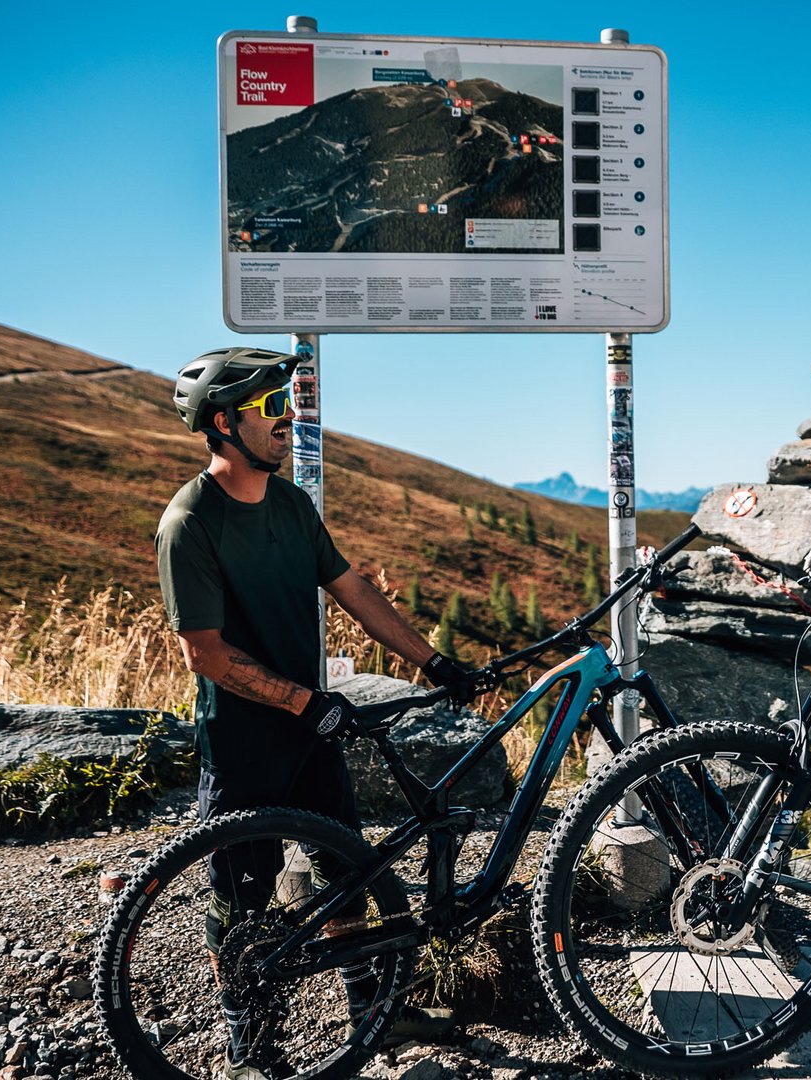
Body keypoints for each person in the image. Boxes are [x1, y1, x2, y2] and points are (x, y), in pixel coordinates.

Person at [156, 346, 473, 1080]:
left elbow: (352, 588)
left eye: (287, 403)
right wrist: (303, 701)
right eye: (272, 408)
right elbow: (203, 653)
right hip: (243, 738)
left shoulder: (293, 506)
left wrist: (431, 660)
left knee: (348, 873)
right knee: (242, 895)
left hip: (312, 730)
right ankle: (250, 1045)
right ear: (224, 423)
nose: (288, 419)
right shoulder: (189, 524)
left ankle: (374, 1016)